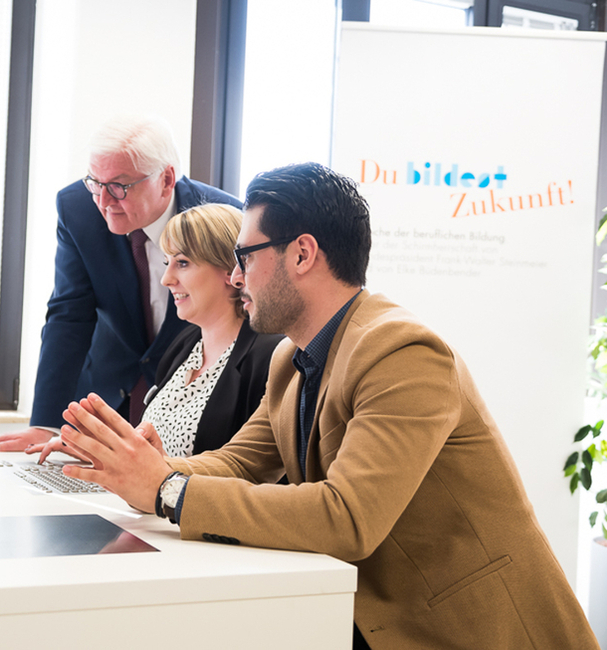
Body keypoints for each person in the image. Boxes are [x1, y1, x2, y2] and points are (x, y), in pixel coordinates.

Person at [56, 163, 599, 649]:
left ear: (302, 253)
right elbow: (238, 461)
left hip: (473, 630)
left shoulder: (402, 352)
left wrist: (166, 488)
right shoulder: (291, 358)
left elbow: (347, 517)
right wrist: (129, 465)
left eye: (245, 256)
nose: (236, 275)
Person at [0, 116, 242, 453]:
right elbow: (69, 314)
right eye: (95, 182)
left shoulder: (224, 217)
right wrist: (45, 424)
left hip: (186, 413)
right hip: (105, 396)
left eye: (119, 185)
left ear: (166, 179)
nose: (103, 200)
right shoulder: (78, 208)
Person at [35, 203, 283, 463]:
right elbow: (152, 449)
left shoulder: (269, 355)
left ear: (230, 269)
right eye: (167, 262)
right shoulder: (185, 346)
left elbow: (250, 470)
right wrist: (95, 450)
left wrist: (160, 470)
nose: (166, 279)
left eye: (183, 263)